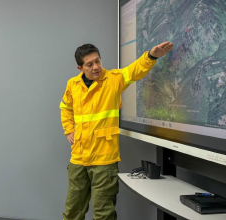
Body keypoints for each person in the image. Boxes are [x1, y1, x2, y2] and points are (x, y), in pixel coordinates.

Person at [60, 42, 173, 220]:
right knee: (72, 213)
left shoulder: (113, 79)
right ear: (80, 67)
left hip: (104, 159)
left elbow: (135, 70)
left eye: (98, 61)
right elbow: (65, 108)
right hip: (79, 157)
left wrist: (151, 56)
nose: (96, 67)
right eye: (89, 64)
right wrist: (69, 130)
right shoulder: (73, 84)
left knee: (103, 214)